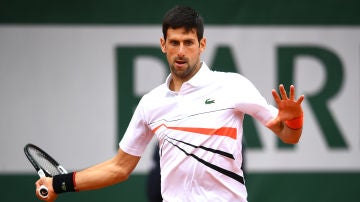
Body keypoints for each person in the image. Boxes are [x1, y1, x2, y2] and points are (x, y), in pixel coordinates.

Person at [35, 5, 304, 202]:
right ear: (163, 44)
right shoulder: (151, 103)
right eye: (174, 43)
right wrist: (59, 184)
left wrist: (294, 119)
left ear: (202, 44)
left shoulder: (232, 85)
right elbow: (119, 167)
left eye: (189, 42)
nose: (181, 51)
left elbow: (289, 135)